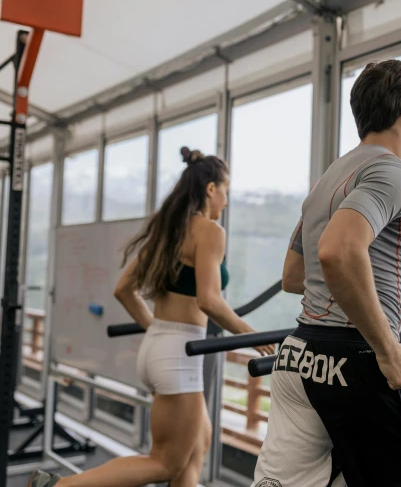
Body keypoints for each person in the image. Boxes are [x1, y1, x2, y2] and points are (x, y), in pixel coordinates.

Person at [28, 148, 274, 487]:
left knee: (198, 444)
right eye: (227, 192)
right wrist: (254, 336)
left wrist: (156, 330)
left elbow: (123, 290)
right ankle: (57, 486)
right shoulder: (210, 232)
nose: (227, 202)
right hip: (179, 354)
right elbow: (209, 300)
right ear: (211, 189)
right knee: (164, 464)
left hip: (160, 346)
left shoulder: (167, 232)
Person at [252, 59, 401, 487]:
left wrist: (385, 276)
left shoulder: (331, 176)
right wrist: (388, 350)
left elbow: (296, 275)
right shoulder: (395, 171)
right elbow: (338, 252)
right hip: (354, 358)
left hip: (299, 355)